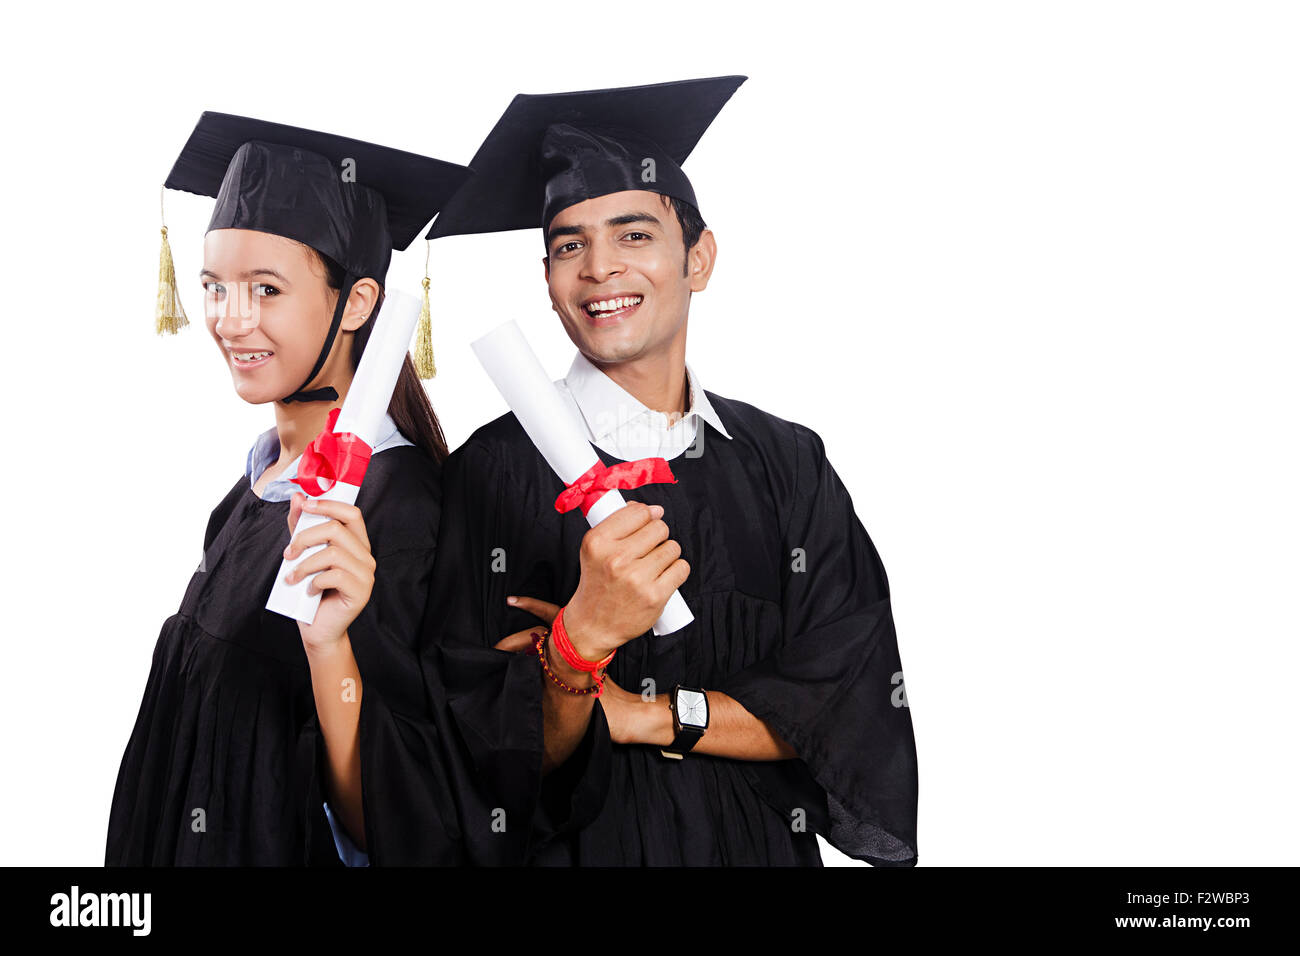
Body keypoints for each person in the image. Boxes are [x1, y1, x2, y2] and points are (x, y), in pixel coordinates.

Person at [424, 77, 921, 865]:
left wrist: (648, 715)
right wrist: (577, 648)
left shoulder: (786, 464)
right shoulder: (490, 474)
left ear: (698, 258)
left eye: (632, 235)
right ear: (548, 285)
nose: (597, 269)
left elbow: (843, 707)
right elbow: (477, 767)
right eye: (568, 245)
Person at [106, 112, 489, 864]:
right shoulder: (255, 486)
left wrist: (329, 649)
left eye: (267, 289)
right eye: (214, 286)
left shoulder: (400, 510)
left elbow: (398, 816)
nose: (230, 319)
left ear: (357, 303)